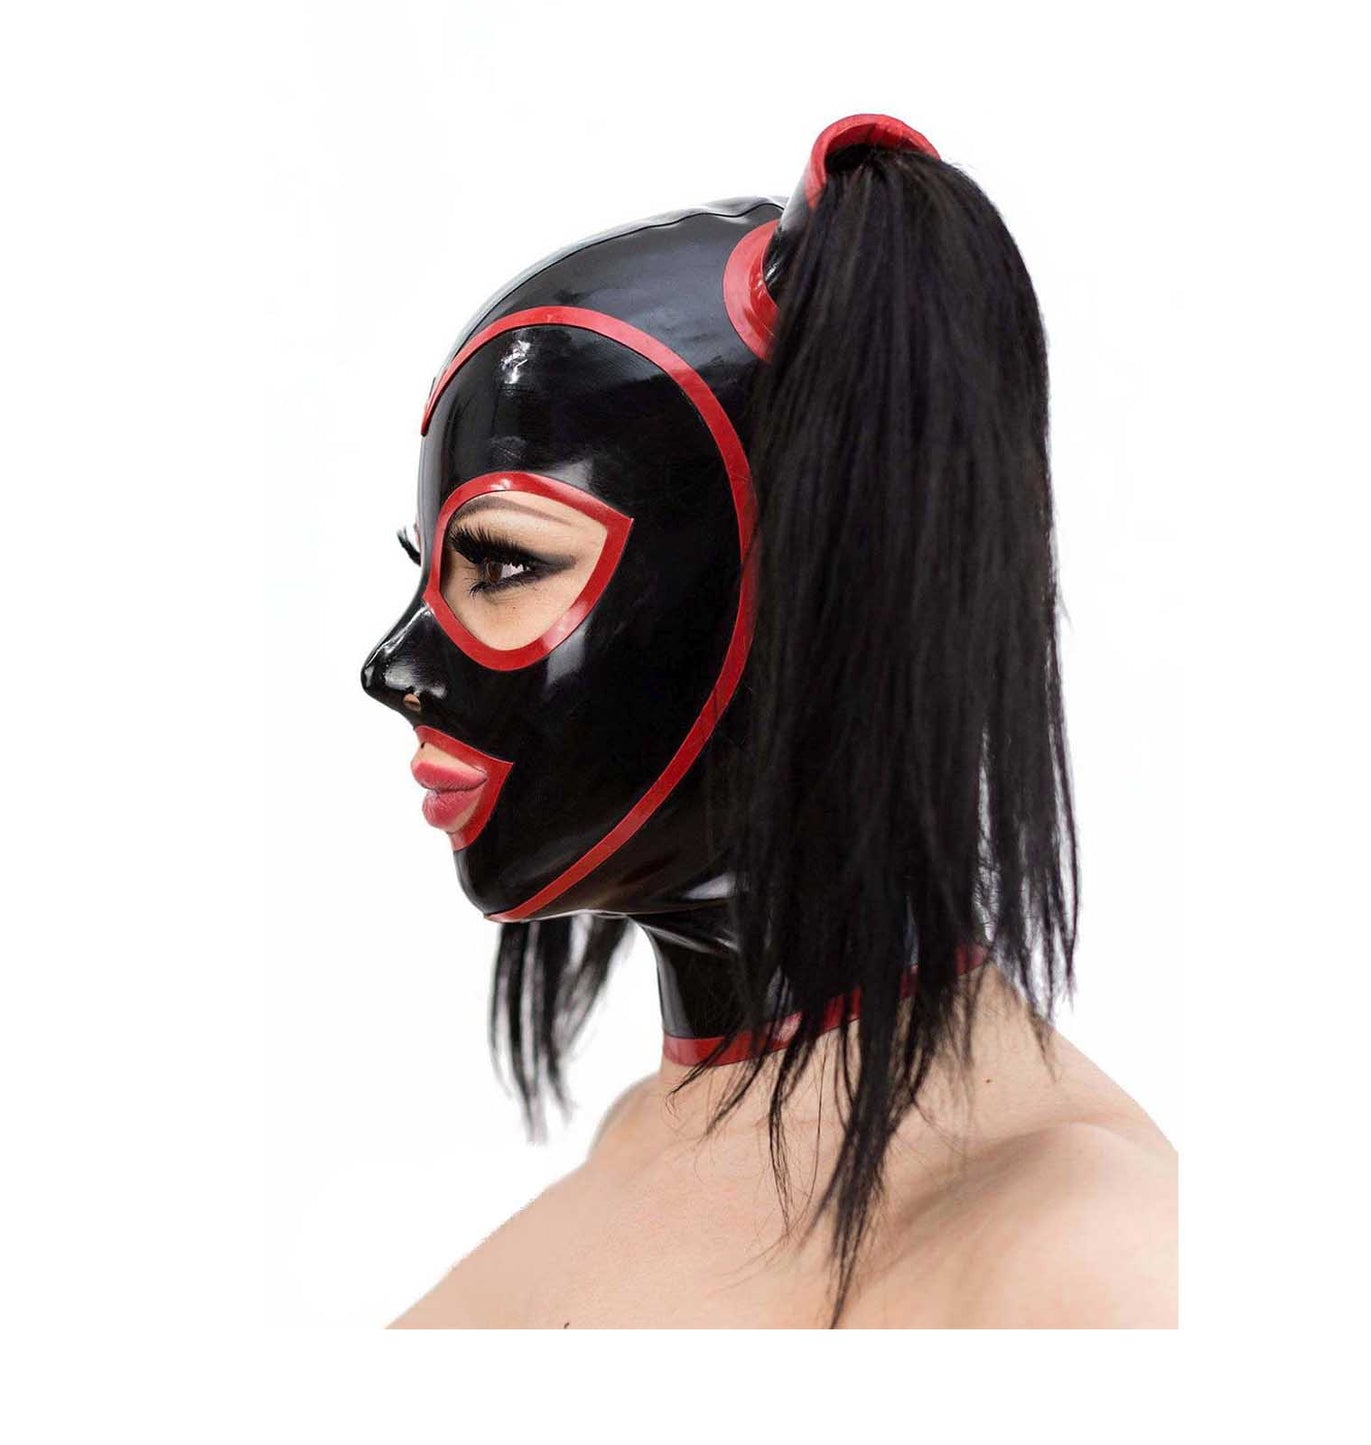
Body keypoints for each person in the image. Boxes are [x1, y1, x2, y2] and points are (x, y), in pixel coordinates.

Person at [360, 114, 1177, 1328]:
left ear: (815, 587)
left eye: (505, 564)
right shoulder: (647, 1139)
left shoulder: (1089, 1263)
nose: (392, 665)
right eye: (429, 572)